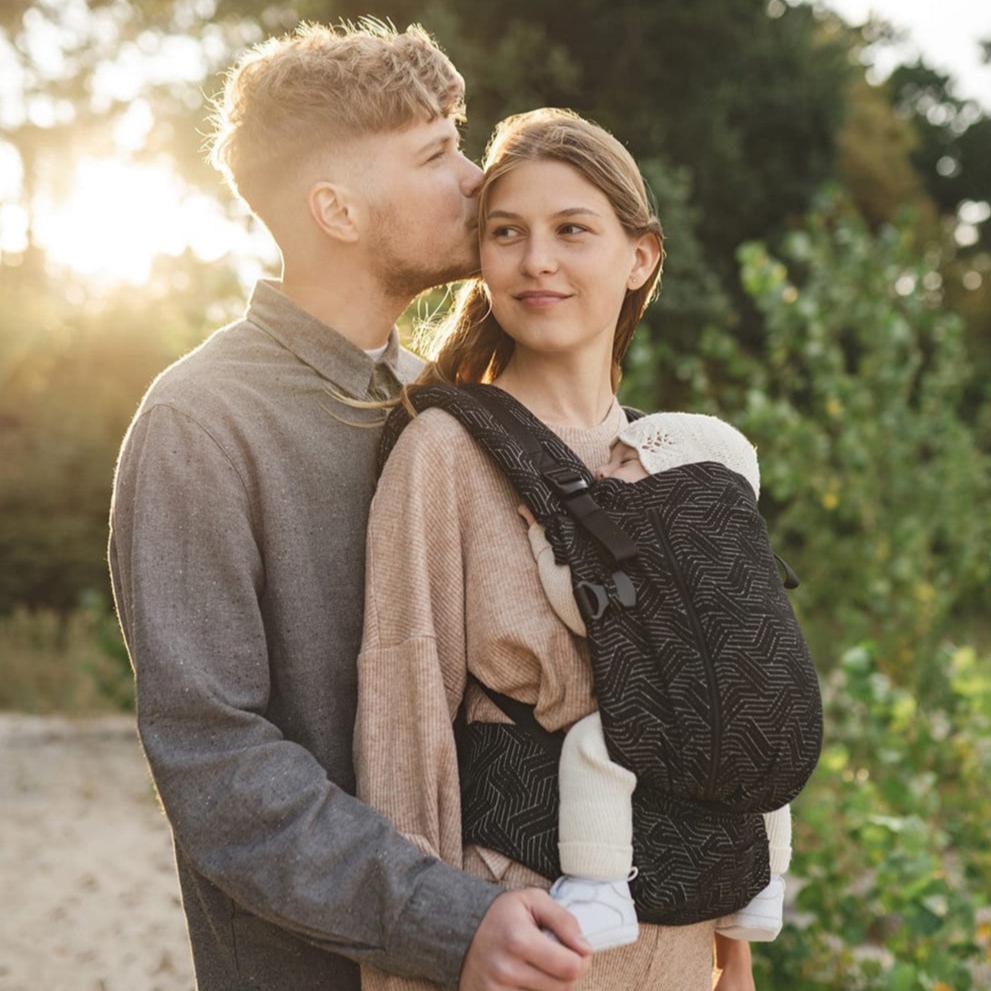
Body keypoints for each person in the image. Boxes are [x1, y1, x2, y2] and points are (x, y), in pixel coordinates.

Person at [108, 23, 591, 991]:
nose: (473, 176)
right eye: (434, 152)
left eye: (461, 139)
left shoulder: (450, 404)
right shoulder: (202, 421)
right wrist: (447, 920)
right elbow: (216, 756)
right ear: (334, 208)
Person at [354, 107, 756, 990]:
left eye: (572, 229)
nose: (536, 259)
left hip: (680, 940)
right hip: (524, 930)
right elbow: (403, 716)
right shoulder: (445, 451)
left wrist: (733, 943)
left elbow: (729, 703)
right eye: (507, 233)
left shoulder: (678, 458)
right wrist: (423, 944)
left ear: (640, 255)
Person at [519, 413, 793, 949]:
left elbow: (586, 616)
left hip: (683, 721)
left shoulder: (656, 554)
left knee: (594, 749)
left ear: (674, 477)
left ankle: (599, 889)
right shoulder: (745, 562)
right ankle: (766, 887)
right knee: (769, 767)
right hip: (768, 721)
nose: (601, 468)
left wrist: (541, 536)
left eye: (624, 462)